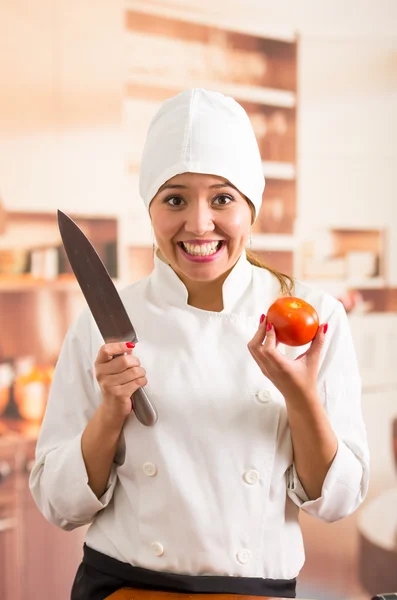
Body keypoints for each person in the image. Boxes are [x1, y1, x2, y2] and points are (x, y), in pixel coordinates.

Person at [29, 88, 370, 600]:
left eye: (222, 198)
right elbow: (58, 504)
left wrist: (299, 395)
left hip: (255, 591)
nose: (199, 224)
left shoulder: (313, 319)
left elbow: (337, 501)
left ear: (250, 206)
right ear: (151, 207)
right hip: (124, 589)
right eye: (175, 199)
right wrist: (109, 413)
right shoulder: (98, 325)